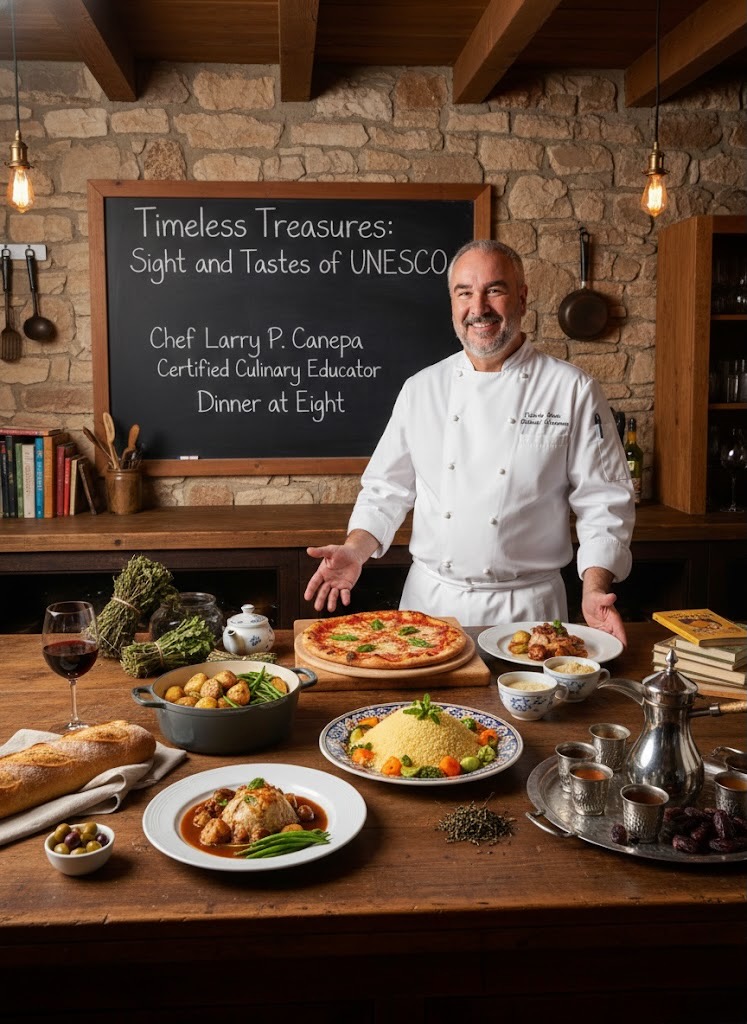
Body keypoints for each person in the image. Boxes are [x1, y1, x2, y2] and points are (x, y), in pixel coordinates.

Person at [304, 239, 635, 643]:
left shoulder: (572, 390)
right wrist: (354, 551)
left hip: (528, 611)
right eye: (465, 293)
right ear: (452, 304)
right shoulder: (421, 389)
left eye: (494, 290)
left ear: (522, 298)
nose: (478, 308)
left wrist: (595, 586)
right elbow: (385, 491)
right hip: (430, 606)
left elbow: (604, 501)